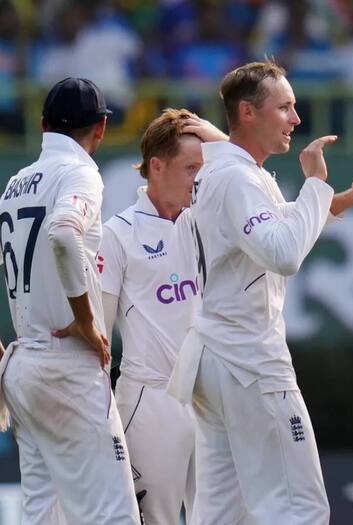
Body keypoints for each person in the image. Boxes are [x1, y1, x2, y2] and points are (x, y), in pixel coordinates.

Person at [167, 60, 353, 525]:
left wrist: (336, 199)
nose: (296, 118)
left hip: (216, 356)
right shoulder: (237, 177)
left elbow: (277, 226)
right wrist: (316, 184)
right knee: (299, 509)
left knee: (221, 514)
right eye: (285, 107)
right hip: (250, 362)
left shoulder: (224, 172)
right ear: (247, 112)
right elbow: (283, 253)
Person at [0, 77, 139, 524]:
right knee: (113, 514)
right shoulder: (80, 173)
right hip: (67, 364)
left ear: (43, 125)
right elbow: (63, 233)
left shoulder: (15, 183)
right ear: (101, 128)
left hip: (23, 363)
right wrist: (84, 318)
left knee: (42, 513)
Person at [100, 108, 211, 524]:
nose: (199, 179)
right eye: (190, 168)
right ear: (157, 166)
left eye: (203, 168)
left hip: (210, 399)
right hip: (150, 400)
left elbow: (275, 218)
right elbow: (100, 334)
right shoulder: (118, 234)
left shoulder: (207, 222)